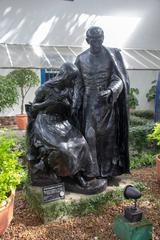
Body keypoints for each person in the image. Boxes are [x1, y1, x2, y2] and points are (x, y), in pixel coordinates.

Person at [27, 62, 106, 194]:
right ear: (63, 76)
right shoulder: (45, 88)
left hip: (62, 122)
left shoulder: (68, 90)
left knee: (81, 143)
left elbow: (69, 111)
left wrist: (67, 106)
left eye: (74, 78)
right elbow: (33, 108)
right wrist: (48, 103)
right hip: (45, 122)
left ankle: (79, 174)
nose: (72, 81)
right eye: (71, 78)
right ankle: (69, 175)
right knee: (63, 148)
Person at [72, 26, 130, 178]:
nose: (97, 42)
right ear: (87, 40)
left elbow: (119, 79)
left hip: (107, 105)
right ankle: (92, 172)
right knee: (89, 138)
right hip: (88, 105)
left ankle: (108, 171)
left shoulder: (112, 56)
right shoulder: (80, 58)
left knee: (108, 139)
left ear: (103, 38)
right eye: (93, 39)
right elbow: (78, 84)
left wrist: (111, 91)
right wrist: (74, 104)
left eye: (100, 38)